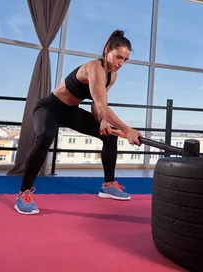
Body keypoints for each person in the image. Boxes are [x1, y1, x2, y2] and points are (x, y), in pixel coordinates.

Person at [14, 30, 143, 215]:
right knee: (46, 136)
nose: (120, 63)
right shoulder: (94, 68)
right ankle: (23, 194)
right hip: (49, 108)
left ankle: (108, 185)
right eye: (118, 57)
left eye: (125, 60)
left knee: (110, 136)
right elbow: (101, 105)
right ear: (108, 50)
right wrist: (128, 129)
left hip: (70, 112)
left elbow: (97, 105)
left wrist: (103, 122)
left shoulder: (111, 75)